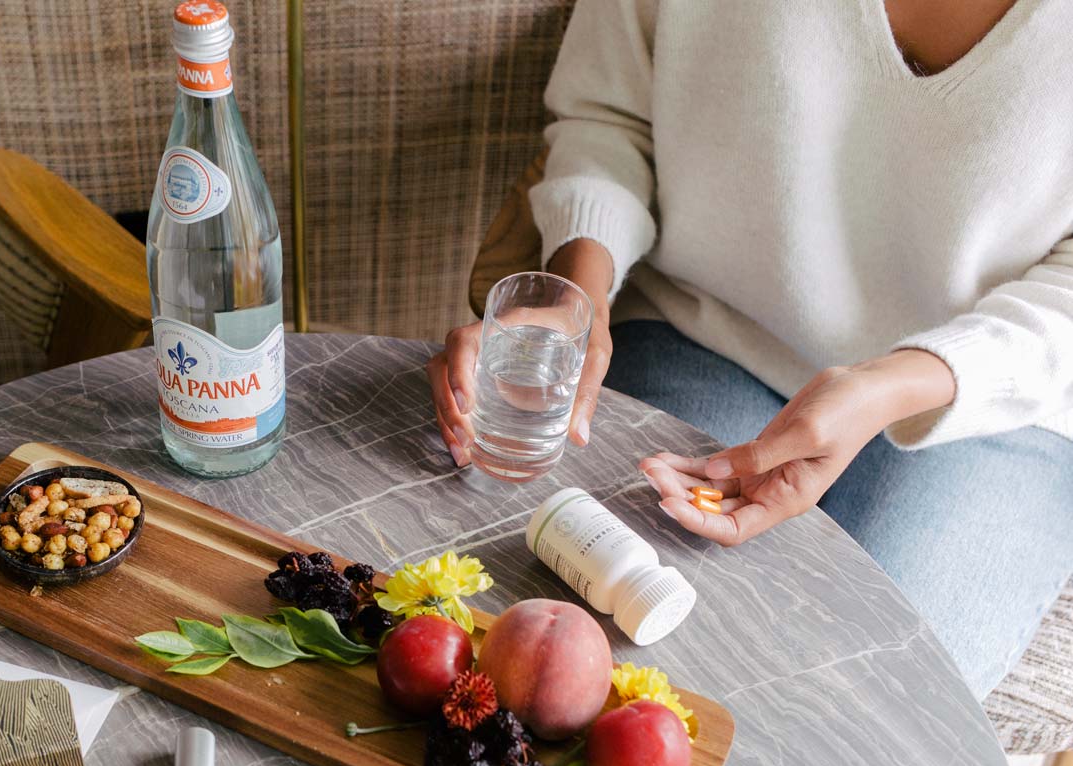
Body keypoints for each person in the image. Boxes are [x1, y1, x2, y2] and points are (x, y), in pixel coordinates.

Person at [428, 0, 1073, 699]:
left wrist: (891, 386)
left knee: (875, 708)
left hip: (994, 399)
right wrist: (572, 304)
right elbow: (609, 116)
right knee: (603, 669)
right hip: (707, 331)